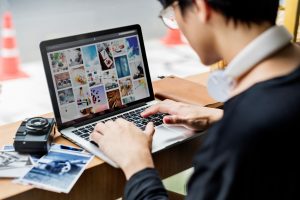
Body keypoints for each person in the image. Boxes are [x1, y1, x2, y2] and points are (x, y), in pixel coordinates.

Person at [91, 0, 300, 199]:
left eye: (173, 14)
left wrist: (136, 164)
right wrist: (220, 116)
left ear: (201, 6)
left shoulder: (238, 134)